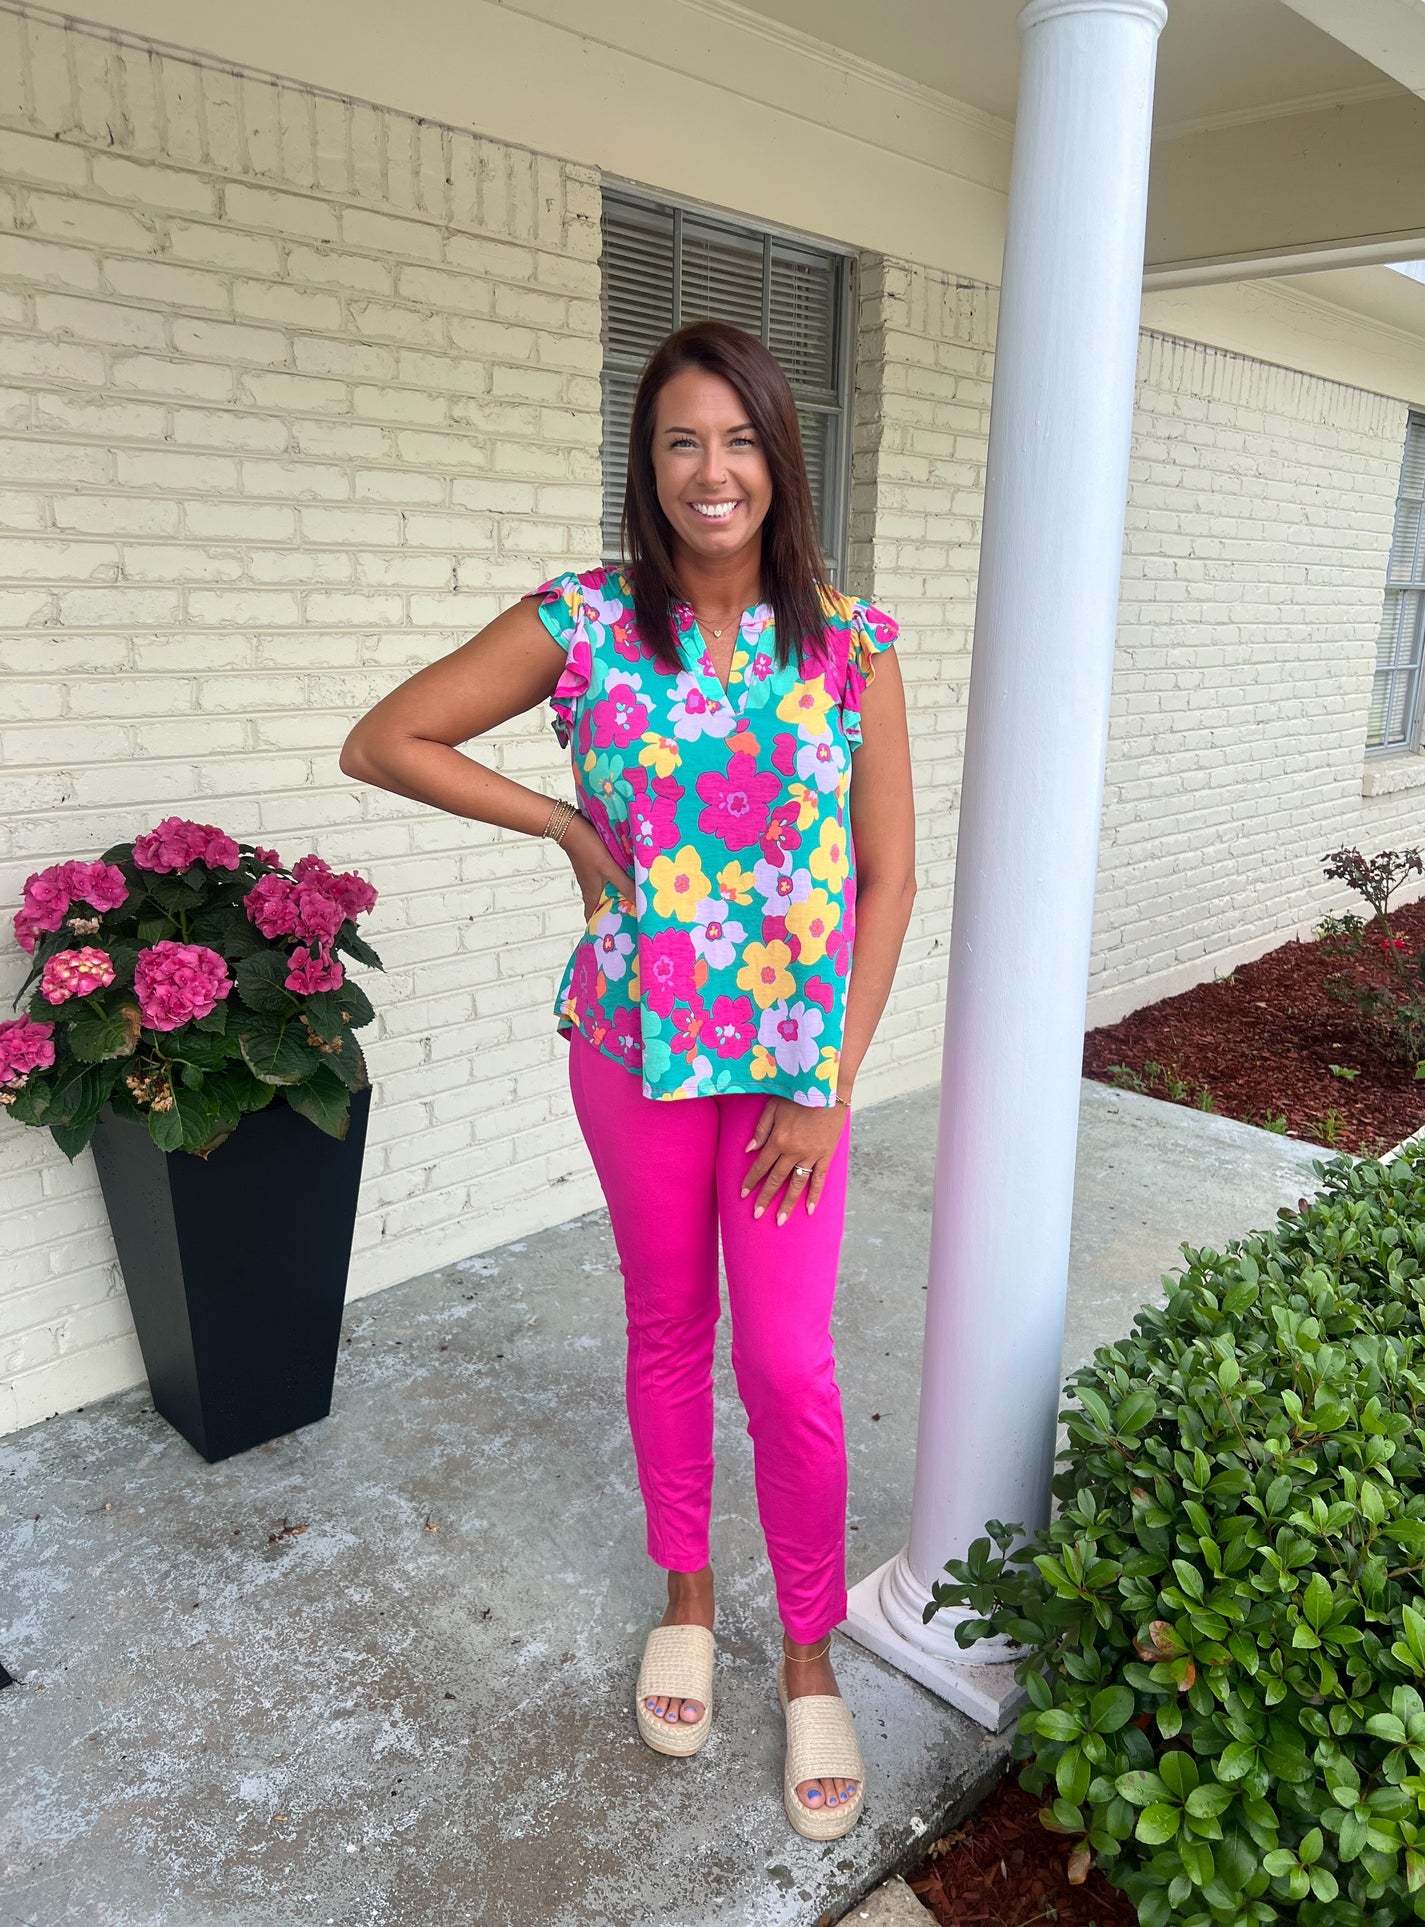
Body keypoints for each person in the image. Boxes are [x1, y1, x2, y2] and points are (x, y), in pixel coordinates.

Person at [338, 317, 916, 1840]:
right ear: (645, 464)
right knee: (667, 1326)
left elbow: (888, 880)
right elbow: (385, 741)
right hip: (632, 1051)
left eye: (739, 439)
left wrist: (829, 1083)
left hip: (788, 1078)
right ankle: (687, 1596)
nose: (711, 471)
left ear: (780, 458)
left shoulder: (850, 644)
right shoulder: (586, 623)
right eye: (680, 441)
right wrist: (561, 825)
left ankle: (807, 1655)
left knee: (786, 1367)